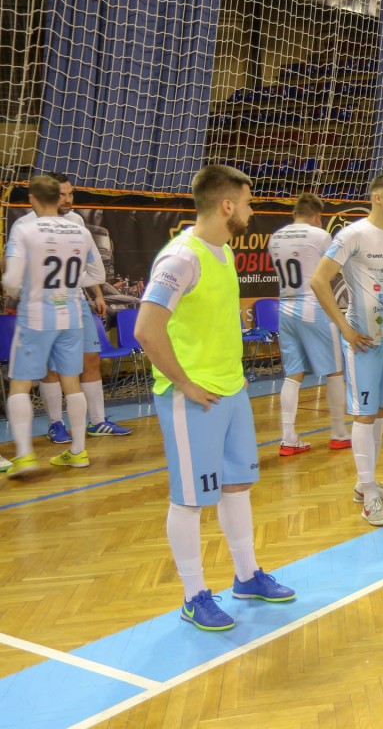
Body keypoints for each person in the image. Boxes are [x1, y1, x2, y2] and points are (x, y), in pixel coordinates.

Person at [134, 165, 295, 631]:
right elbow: (146, 329)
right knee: (190, 500)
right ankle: (193, 596)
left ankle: (246, 576)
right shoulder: (181, 258)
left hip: (231, 389)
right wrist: (184, 383)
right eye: (247, 203)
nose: (251, 211)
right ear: (227, 205)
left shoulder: (222, 252)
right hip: (194, 397)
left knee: (237, 485)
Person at [310, 174, 383, 527]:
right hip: (362, 341)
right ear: (377, 198)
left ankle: (365, 484)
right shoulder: (352, 234)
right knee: (365, 414)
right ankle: (369, 499)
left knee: (380, 411)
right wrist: (346, 329)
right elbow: (318, 280)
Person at [3, 175, 105, 478]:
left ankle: (24, 456)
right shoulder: (79, 230)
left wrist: (24, 286)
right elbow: (98, 273)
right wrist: (68, 285)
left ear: (32, 198)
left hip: (36, 315)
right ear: (58, 198)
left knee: (20, 384)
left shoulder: (24, 229)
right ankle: (78, 452)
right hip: (71, 314)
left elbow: (11, 282)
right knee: (71, 382)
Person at [28, 174, 131, 443]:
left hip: (77, 302)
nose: (67, 200)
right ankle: (56, 424)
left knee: (91, 360)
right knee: (51, 367)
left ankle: (97, 421)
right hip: (45, 306)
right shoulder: (28, 224)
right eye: (61, 195)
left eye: (70, 194)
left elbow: (84, 264)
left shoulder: (76, 221)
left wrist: (97, 293)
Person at [267, 193, 351, 456]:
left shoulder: (275, 237)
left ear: (294, 213)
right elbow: (331, 272)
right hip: (313, 306)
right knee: (335, 370)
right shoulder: (320, 235)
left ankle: (288, 438)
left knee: (293, 374)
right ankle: (339, 433)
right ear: (317, 215)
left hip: (285, 307)